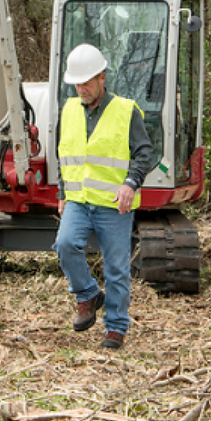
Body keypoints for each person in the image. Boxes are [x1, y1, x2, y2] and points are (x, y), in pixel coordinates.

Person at [54, 42, 155, 350]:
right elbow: (66, 154)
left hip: (114, 204)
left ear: (102, 78)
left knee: (115, 268)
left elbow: (144, 152)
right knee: (65, 244)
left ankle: (115, 327)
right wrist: (62, 192)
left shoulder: (126, 111)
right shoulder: (69, 110)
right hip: (79, 200)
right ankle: (86, 295)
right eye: (77, 83)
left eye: (86, 82)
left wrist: (130, 183)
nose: (81, 89)